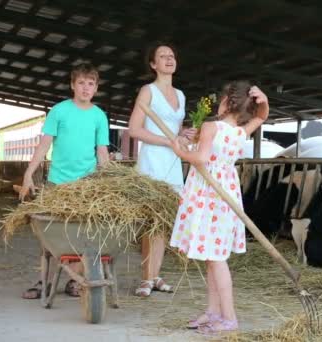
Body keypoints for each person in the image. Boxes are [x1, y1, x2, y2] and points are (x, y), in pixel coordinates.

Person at [169, 81, 269, 334]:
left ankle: (229, 317)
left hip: (207, 196)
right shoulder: (241, 132)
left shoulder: (211, 126)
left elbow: (201, 159)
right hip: (225, 196)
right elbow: (262, 116)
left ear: (226, 101)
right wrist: (264, 100)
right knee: (212, 258)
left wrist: (179, 151)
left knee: (217, 259)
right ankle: (213, 311)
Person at [19, 62, 110, 299]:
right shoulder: (58, 111)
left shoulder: (99, 116)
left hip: (85, 185)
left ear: (96, 88)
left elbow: (102, 152)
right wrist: (29, 173)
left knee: (81, 234)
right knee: (49, 235)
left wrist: (108, 180)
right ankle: (44, 282)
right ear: (72, 85)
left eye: (91, 84)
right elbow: (44, 145)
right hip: (57, 184)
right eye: (81, 83)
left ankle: (73, 280)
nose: (86, 88)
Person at [128, 43, 196, 297]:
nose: (169, 59)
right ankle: (145, 279)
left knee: (165, 222)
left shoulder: (180, 95)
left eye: (172, 55)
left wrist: (182, 135)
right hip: (153, 160)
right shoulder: (148, 91)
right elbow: (134, 129)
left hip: (173, 162)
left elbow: (174, 133)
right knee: (151, 222)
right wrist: (169, 140)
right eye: (162, 56)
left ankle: (155, 276)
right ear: (153, 64)